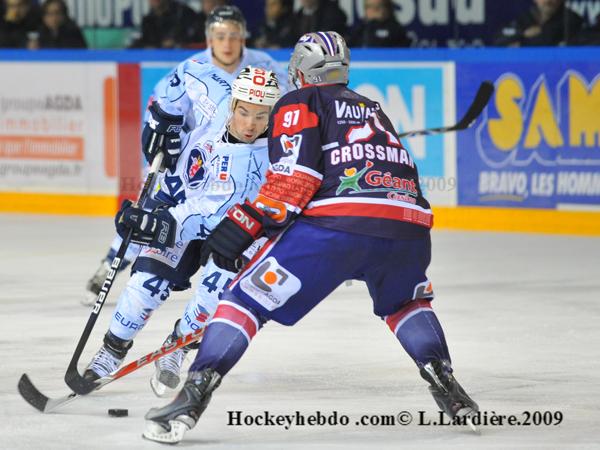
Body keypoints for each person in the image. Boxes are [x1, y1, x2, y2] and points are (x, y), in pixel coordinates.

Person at [142, 31, 478, 444]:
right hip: (408, 226)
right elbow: (403, 176)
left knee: (242, 300)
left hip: (337, 227)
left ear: (299, 69)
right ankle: (446, 382)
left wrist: (249, 221)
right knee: (405, 303)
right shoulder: (372, 109)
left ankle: (190, 398)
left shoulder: (298, 101)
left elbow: (296, 176)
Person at [83, 67, 281, 397]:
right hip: (180, 201)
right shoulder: (218, 98)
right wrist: (165, 115)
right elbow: (188, 72)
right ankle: (111, 351)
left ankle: (176, 346)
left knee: (213, 297)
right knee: (144, 285)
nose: (250, 124)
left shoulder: (254, 161)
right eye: (244, 111)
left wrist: (158, 225)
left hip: (231, 229)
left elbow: (202, 216)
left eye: (261, 116)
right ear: (231, 104)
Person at [83, 5, 289, 305]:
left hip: (238, 164)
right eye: (220, 36)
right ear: (209, 38)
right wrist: (164, 142)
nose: (228, 44)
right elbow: (162, 108)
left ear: (243, 36)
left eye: (234, 36)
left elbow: (284, 111)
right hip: (190, 161)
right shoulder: (194, 67)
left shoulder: (266, 68)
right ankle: (112, 261)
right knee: (148, 213)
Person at [493, 0, 583, 47]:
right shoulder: (526, 17)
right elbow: (499, 40)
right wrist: (523, 34)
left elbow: (547, 40)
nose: (548, 1)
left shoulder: (571, 19)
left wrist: (522, 43)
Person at [129, 0, 201, 49]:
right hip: (156, 61)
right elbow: (144, 42)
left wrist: (176, 42)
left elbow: (196, 37)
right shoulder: (148, 20)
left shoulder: (184, 13)